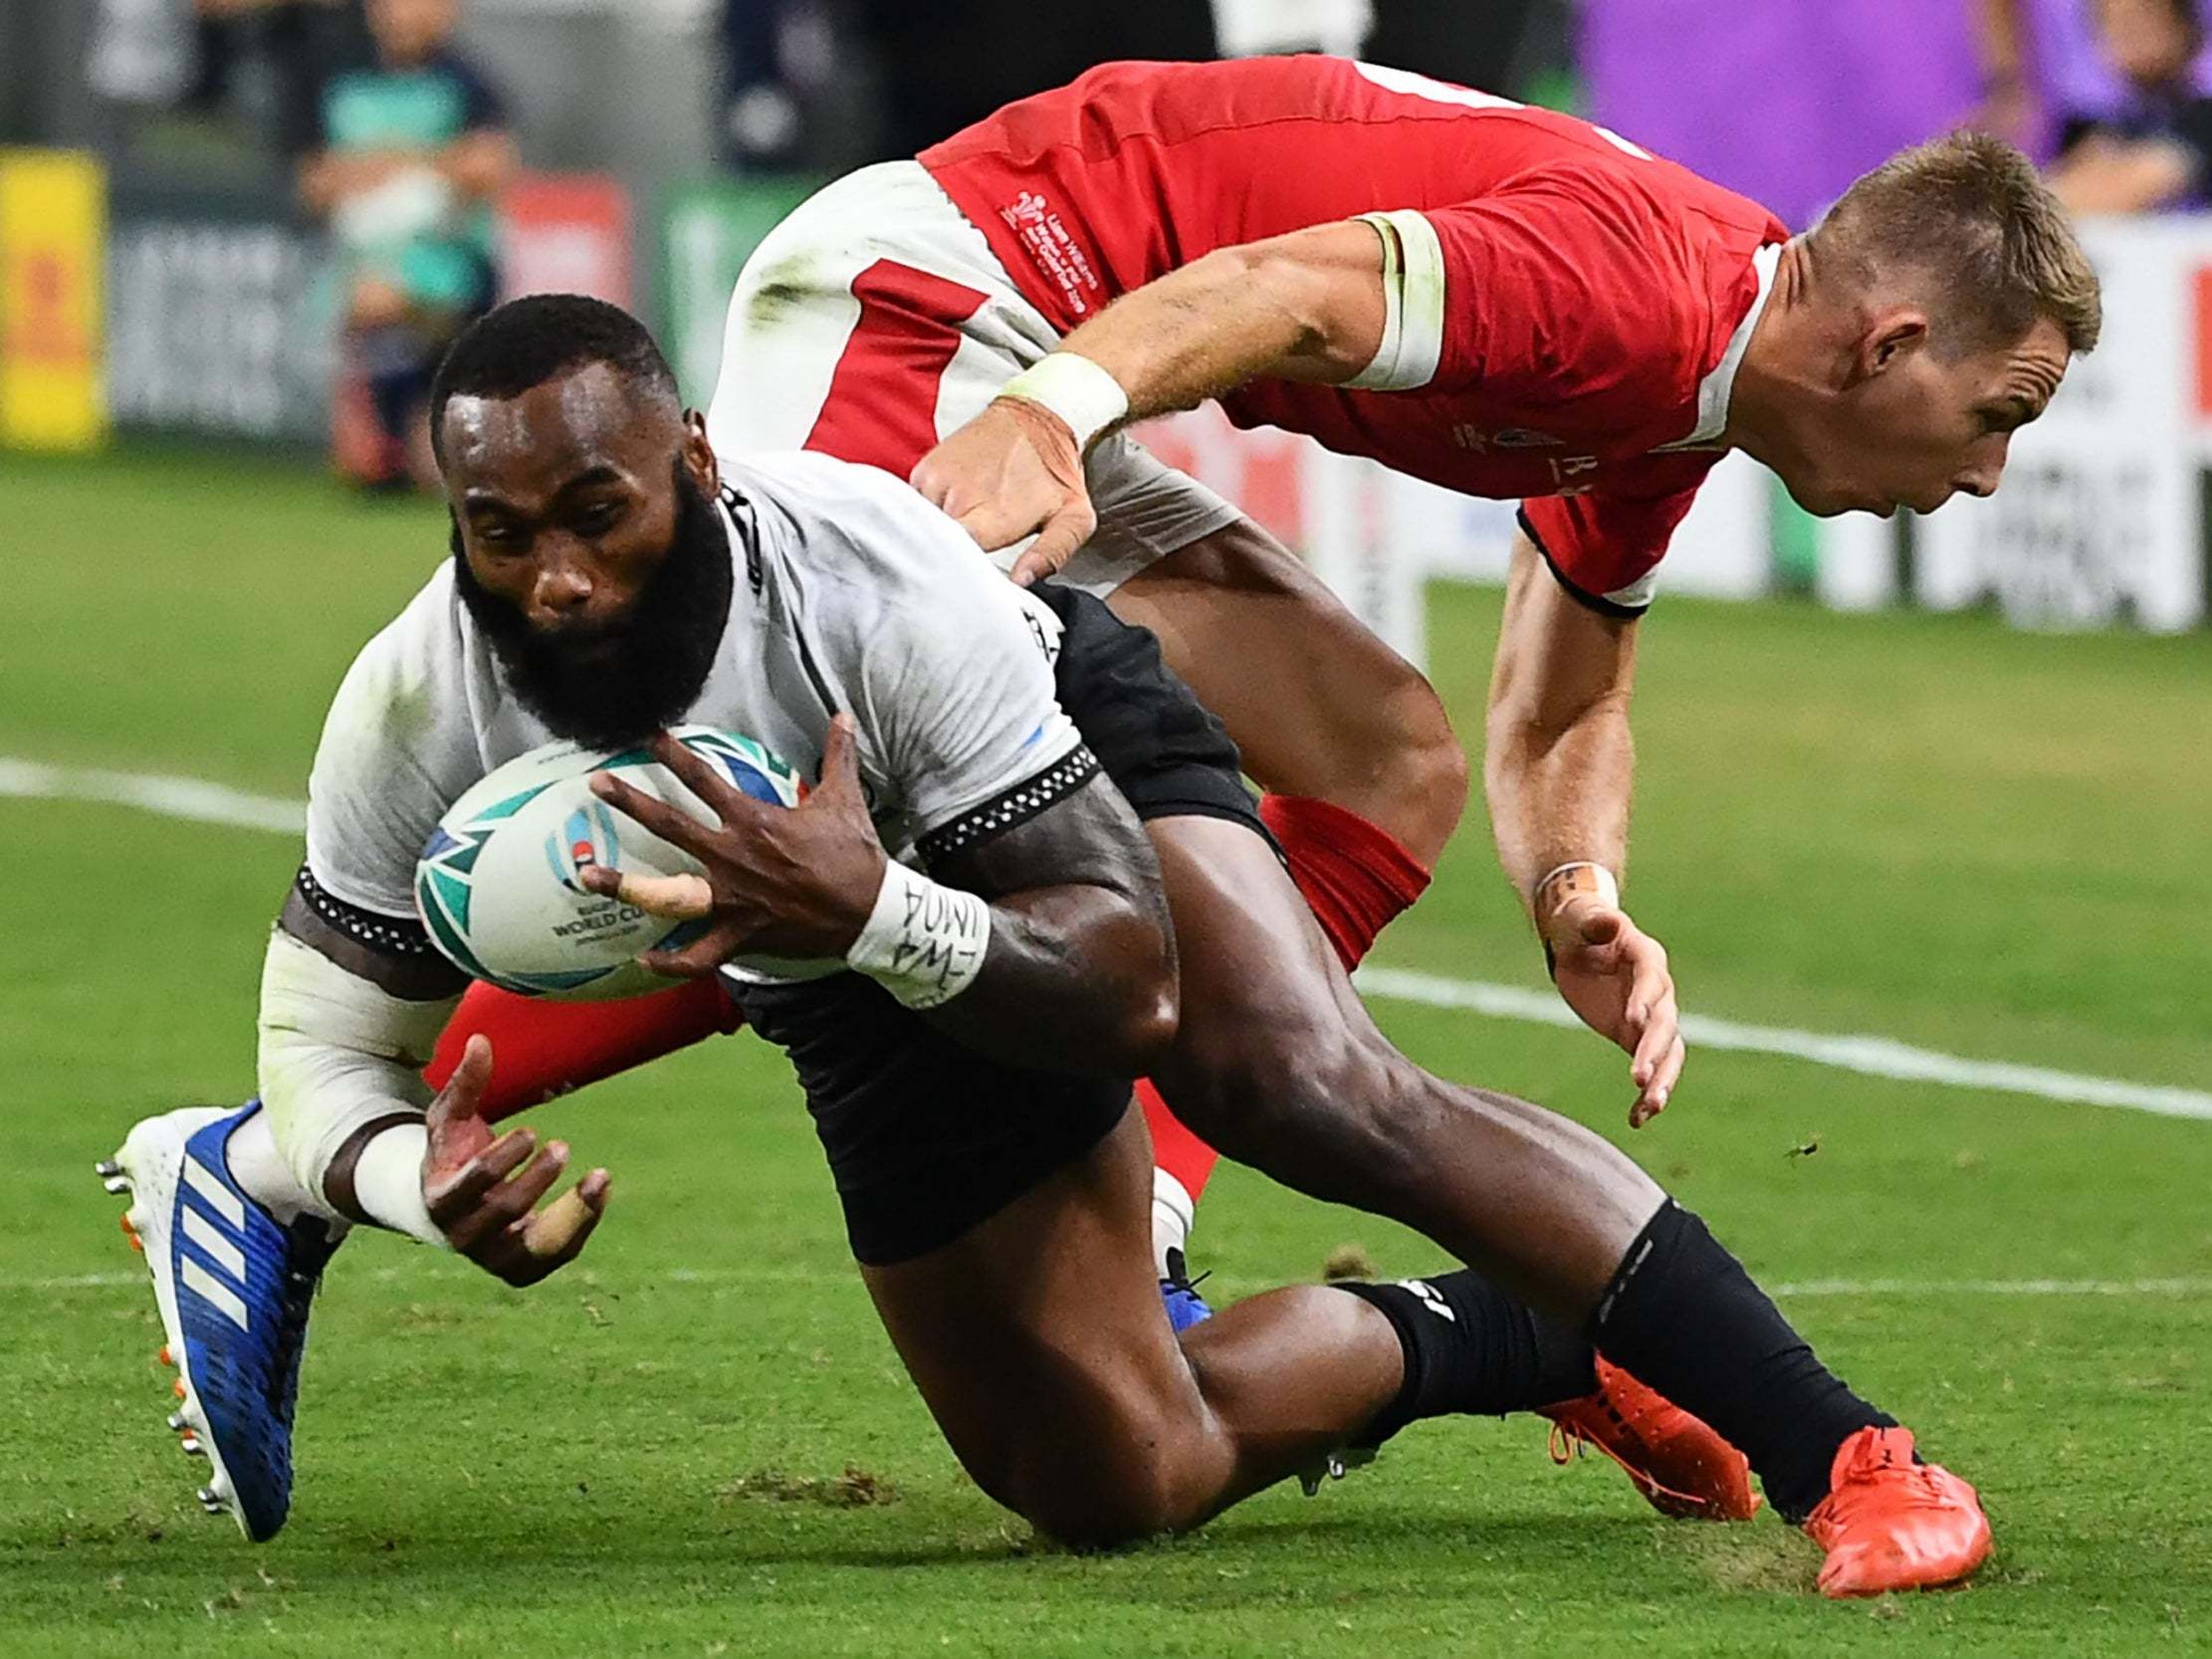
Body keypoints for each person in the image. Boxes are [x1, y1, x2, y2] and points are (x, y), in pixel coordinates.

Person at [107, 297, 1990, 1597]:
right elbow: (318, 1046)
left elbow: (1126, 984)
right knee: (1110, 1478)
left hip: (1050, 787)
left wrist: (871, 908)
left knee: (1293, 1076)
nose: (561, 577)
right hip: (828, 937)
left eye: (599, 511)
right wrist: (416, 1191)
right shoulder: (414, 698)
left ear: (690, 458)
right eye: (500, 533)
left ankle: (1856, 1454)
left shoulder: (866, 577)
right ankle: (1507, 1334)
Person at [404, 56, 2103, 1322]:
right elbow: (1287, 297)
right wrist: (1046, 418)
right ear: (1889, 345)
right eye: (1996, 411)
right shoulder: (1641, 291)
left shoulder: (1686, 386)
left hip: (1064, 355)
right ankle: (318, 1143)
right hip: (951, 296)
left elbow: (1562, 699)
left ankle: (1138, 1239)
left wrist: (1577, 891)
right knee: (811, 813)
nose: (1984, 473)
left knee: (1381, 760)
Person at [298, 0, 515, 489]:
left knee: (379, 300)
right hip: (360, 265)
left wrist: (402, 164)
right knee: (358, 298)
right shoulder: (342, 80)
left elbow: (488, 167)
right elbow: (314, 181)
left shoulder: (470, 86)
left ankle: (414, 416)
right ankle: (380, 425)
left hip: (446, 266)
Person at [2049, 0, 2212, 211]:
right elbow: (2045, 195)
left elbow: (2126, 194)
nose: (2130, 35)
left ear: (2186, 27)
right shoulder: (2101, 122)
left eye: (2144, 19)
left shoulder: (2204, 116)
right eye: (2113, 23)